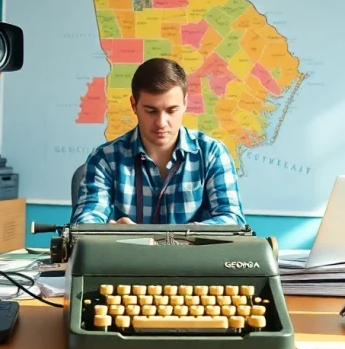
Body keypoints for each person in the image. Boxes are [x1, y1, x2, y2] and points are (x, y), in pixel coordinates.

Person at [71, 58, 245, 225]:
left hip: (194, 255)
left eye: (171, 110)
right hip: (125, 255)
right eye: (151, 111)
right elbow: (85, 221)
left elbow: (231, 219)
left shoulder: (212, 154)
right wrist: (110, 231)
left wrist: (189, 235)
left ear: (185, 104)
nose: (161, 122)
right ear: (134, 105)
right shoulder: (105, 159)